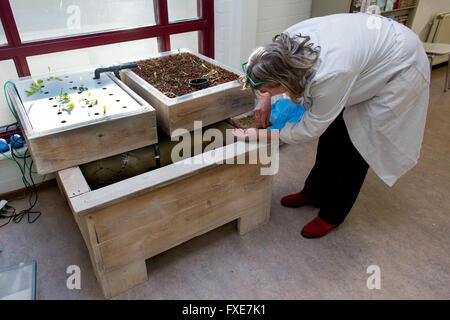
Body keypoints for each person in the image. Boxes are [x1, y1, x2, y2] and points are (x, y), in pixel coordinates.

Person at [233, 13, 430, 238]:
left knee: (356, 145)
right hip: (364, 52)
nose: (263, 93)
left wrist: (261, 135)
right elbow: (268, 77)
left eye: (267, 89)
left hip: (397, 66)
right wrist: (264, 98)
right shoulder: (283, 45)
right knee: (332, 133)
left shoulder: (330, 73)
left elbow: (310, 129)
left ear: (285, 81)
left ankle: (332, 215)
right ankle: (314, 192)